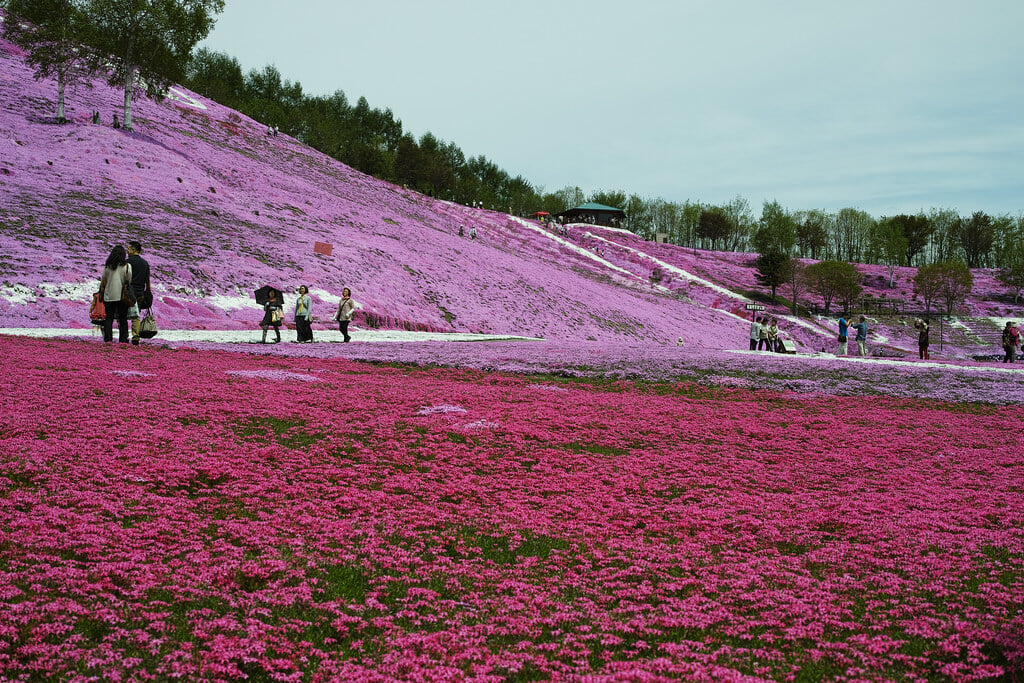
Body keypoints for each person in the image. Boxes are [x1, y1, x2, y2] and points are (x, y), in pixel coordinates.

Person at [99, 245, 132, 343]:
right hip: (122, 296)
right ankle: (123, 339)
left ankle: (108, 338)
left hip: (109, 295)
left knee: (109, 317)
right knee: (122, 318)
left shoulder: (108, 266)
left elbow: (104, 279)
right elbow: (129, 280)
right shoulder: (126, 266)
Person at [126, 241, 151, 346]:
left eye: (128, 248)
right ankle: (136, 337)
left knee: (124, 314)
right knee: (136, 315)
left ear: (133, 250)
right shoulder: (145, 263)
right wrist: (148, 292)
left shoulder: (127, 262)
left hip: (128, 292)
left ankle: (125, 335)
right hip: (140, 292)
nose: (127, 251)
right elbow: (147, 280)